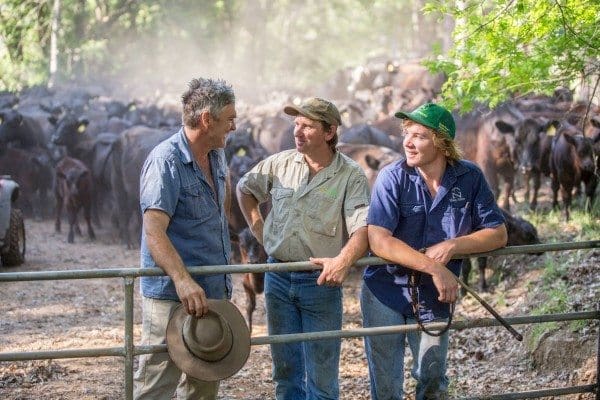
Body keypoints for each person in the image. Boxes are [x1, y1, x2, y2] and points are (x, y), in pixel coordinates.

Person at [361, 103, 508, 400]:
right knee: (386, 385)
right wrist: (435, 267)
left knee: (432, 376)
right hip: (385, 289)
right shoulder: (392, 177)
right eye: (406, 134)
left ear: (441, 142)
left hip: (436, 295)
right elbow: (379, 241)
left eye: (419, 136)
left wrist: (454, 245)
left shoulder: (469, 177)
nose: (408, 142)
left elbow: (498, 233)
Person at [236, 97, 370, 399]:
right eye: (296, 124)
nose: (297, 131)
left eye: (307, 126)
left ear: (329, 131)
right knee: (285, 373)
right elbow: (244, 189)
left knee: (322, 377)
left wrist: (342, 261)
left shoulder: (351, 175)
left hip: (320, 280)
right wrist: (261, 230)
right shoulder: (279, 163)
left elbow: (362, 229)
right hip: (278, 275)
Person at [133, 78, 237, 400]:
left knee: (204, 382)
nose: (234, 126)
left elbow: (223, 205)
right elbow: (154, 231)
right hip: (172, 296)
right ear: (207, 120)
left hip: (211, 290)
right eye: (230, 119)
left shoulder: (216, 155)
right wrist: (182, 280)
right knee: (157, 384)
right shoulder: (166, 162)